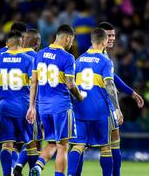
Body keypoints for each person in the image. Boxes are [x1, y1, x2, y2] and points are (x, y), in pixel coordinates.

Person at [27, 24, 86, 176]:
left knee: (52, 142)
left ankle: (38, 167)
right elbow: (70, 83)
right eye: (71, 40)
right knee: (63, 146)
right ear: (67, 38)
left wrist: (31, 106)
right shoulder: (68, 57)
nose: (71, 44)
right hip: (61, 107)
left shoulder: (39, 54)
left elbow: (33, 82)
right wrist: (80, 96)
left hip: (44, 108)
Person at [0, 30, 37, 176]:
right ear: (21, 42)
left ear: (7, 43)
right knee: (31, 145)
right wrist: (32, 106)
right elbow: (34, 82)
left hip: (4, 107)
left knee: (7, 145)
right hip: (23, 107)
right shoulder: (28, 59)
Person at [68, 28, 119, 176]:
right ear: (104, 42)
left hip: (80, 109)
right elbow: (110, 85)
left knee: (78, 146)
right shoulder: (106, 61)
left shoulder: (78, 60)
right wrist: (116, 108)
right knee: (105, 147)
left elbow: (70, 85)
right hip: (100, 111)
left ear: (91, 41)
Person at [97, 22, 144, 176]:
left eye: (113, 35)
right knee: (112, 141)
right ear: (100, 36)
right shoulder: (102, 57)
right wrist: (117, 107)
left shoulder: (99, 55)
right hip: (103, 104)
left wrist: (131, 92)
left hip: (89, 105)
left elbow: (113, 77)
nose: (111, 38)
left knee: (80, 145)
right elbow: (110, 82)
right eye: (108, 35)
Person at [14, 29, 42, 176]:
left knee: (11, 143)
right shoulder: (37, 58)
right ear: (37, 42)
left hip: (10, 105)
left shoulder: (9, 54)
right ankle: (18, 167)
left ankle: (14, 167)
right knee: (34, 141)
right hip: (32, 106)